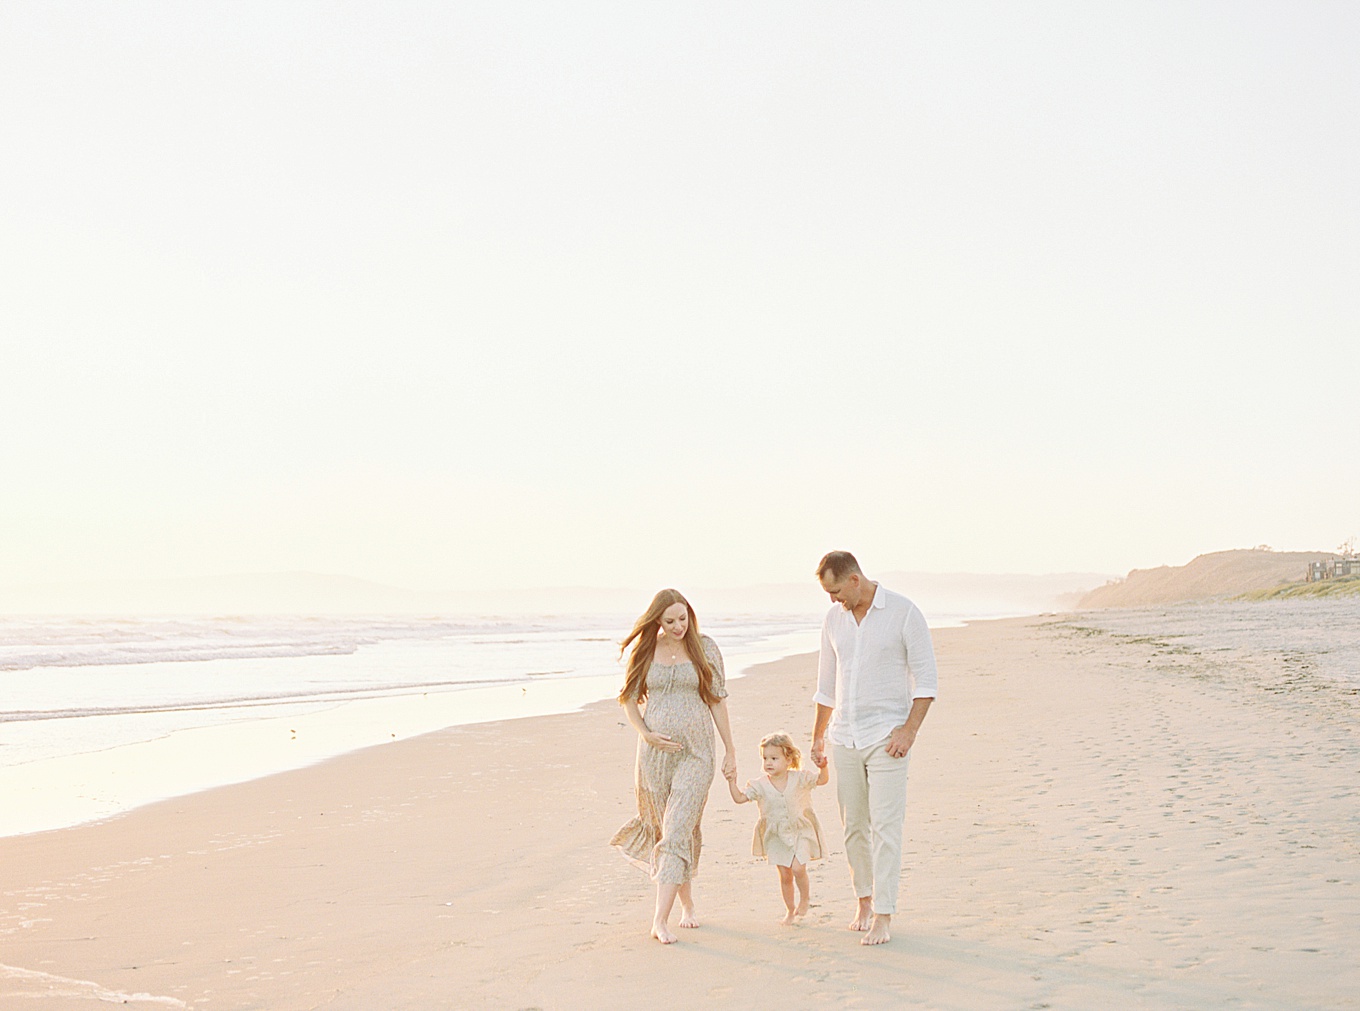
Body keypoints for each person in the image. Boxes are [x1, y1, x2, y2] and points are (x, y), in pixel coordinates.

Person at [810, 550, 937, 946]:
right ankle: (863, 900)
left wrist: (909, 731)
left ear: (854, 579)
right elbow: (826, 686)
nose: (833, 600)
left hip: (887, 739)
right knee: (853, 828)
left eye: (835, 591)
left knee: (886, 828)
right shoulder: (833, 620)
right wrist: (817, 736)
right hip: (845, 736)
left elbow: (928, 681)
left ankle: (884, 913)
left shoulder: (903, 612)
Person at [610, 588, 737, 944]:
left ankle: (658, 921)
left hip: (697, 753)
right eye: (670, 621)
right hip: (654, 756)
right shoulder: (646, 650)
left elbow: (718, 701)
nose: (679, 626)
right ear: (657, 621)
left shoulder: (705, 647)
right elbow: (629, 700)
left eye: (683, 618)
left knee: (678, 827)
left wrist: (730, 750)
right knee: (668, 830)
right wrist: (646, 734)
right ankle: (688, 905)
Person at [724, 731, 828, 925]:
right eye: (765, 758)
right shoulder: (760, 785)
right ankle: (790, 910)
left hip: (800, 831)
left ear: (788, 759)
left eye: (774, 758)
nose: (768, 763)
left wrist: (823, 767)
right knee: (785, 875)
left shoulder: (800, 778)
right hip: (776, 836)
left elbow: (822, 780)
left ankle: (804, 899)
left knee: (798, 868)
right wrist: (731, 781)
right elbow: (739, 798)